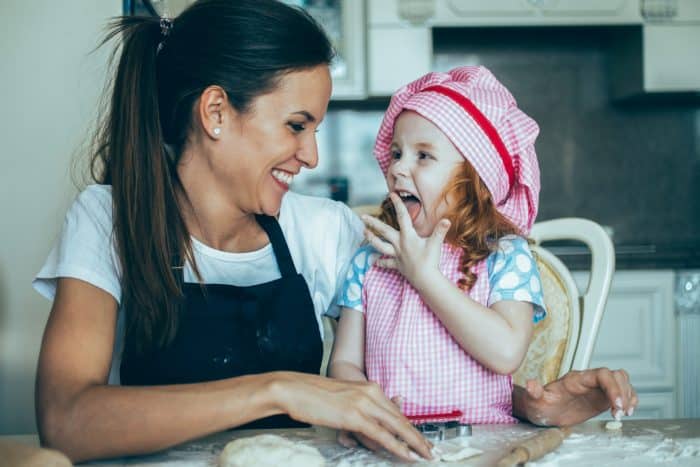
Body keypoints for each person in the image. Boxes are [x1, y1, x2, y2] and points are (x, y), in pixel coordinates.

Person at [31, 0, 637, 463]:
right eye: (297, 125)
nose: (312, 155)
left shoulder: (324, 231)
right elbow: (67, 419)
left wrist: (529, 405)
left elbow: (437, 329)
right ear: (215, 113)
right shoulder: (107, 218)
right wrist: (280, 391)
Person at [329, 66, 636, 449]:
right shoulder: (370, 260)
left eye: (423, 155)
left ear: (475, 181)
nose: (397, 168)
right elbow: (343, 363)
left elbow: (505, 352)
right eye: (396, 153)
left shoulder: (504, 257)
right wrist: (368, 412)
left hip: (488, 446)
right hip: (388, 447)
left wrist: (425, 277)